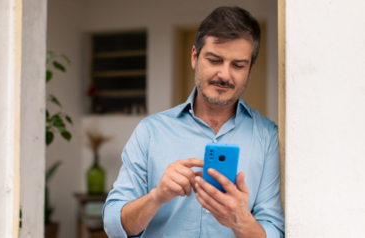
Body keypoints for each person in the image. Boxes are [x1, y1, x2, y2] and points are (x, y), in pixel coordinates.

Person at [103, 6, 284, 238]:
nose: (225, 75)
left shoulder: (268, 137)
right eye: (215, 60)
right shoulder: (150, 132)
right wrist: (157, 196)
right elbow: (113, 225)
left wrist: (242, 223)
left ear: (250, 69)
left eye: (238, 65)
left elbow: (275, 231)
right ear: (195, 57)